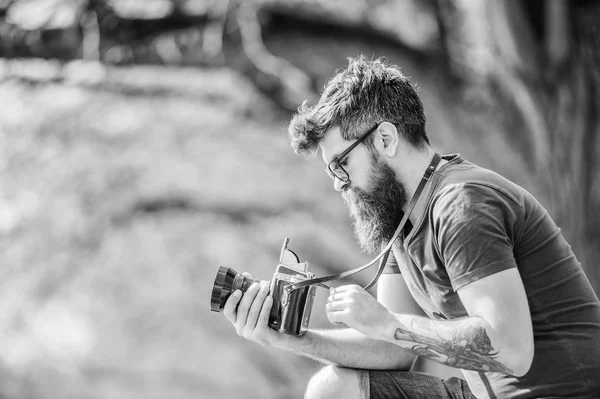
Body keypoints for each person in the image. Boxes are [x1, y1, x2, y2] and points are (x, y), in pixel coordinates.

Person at [222, 56, 600, 398]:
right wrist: (288, 337)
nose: (338, 183)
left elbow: (511, 349)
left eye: (341, 165)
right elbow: (394, 349)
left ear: (385, 139)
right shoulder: (402, 219)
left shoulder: (461, 203)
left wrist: (387, 323)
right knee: (333, 389)